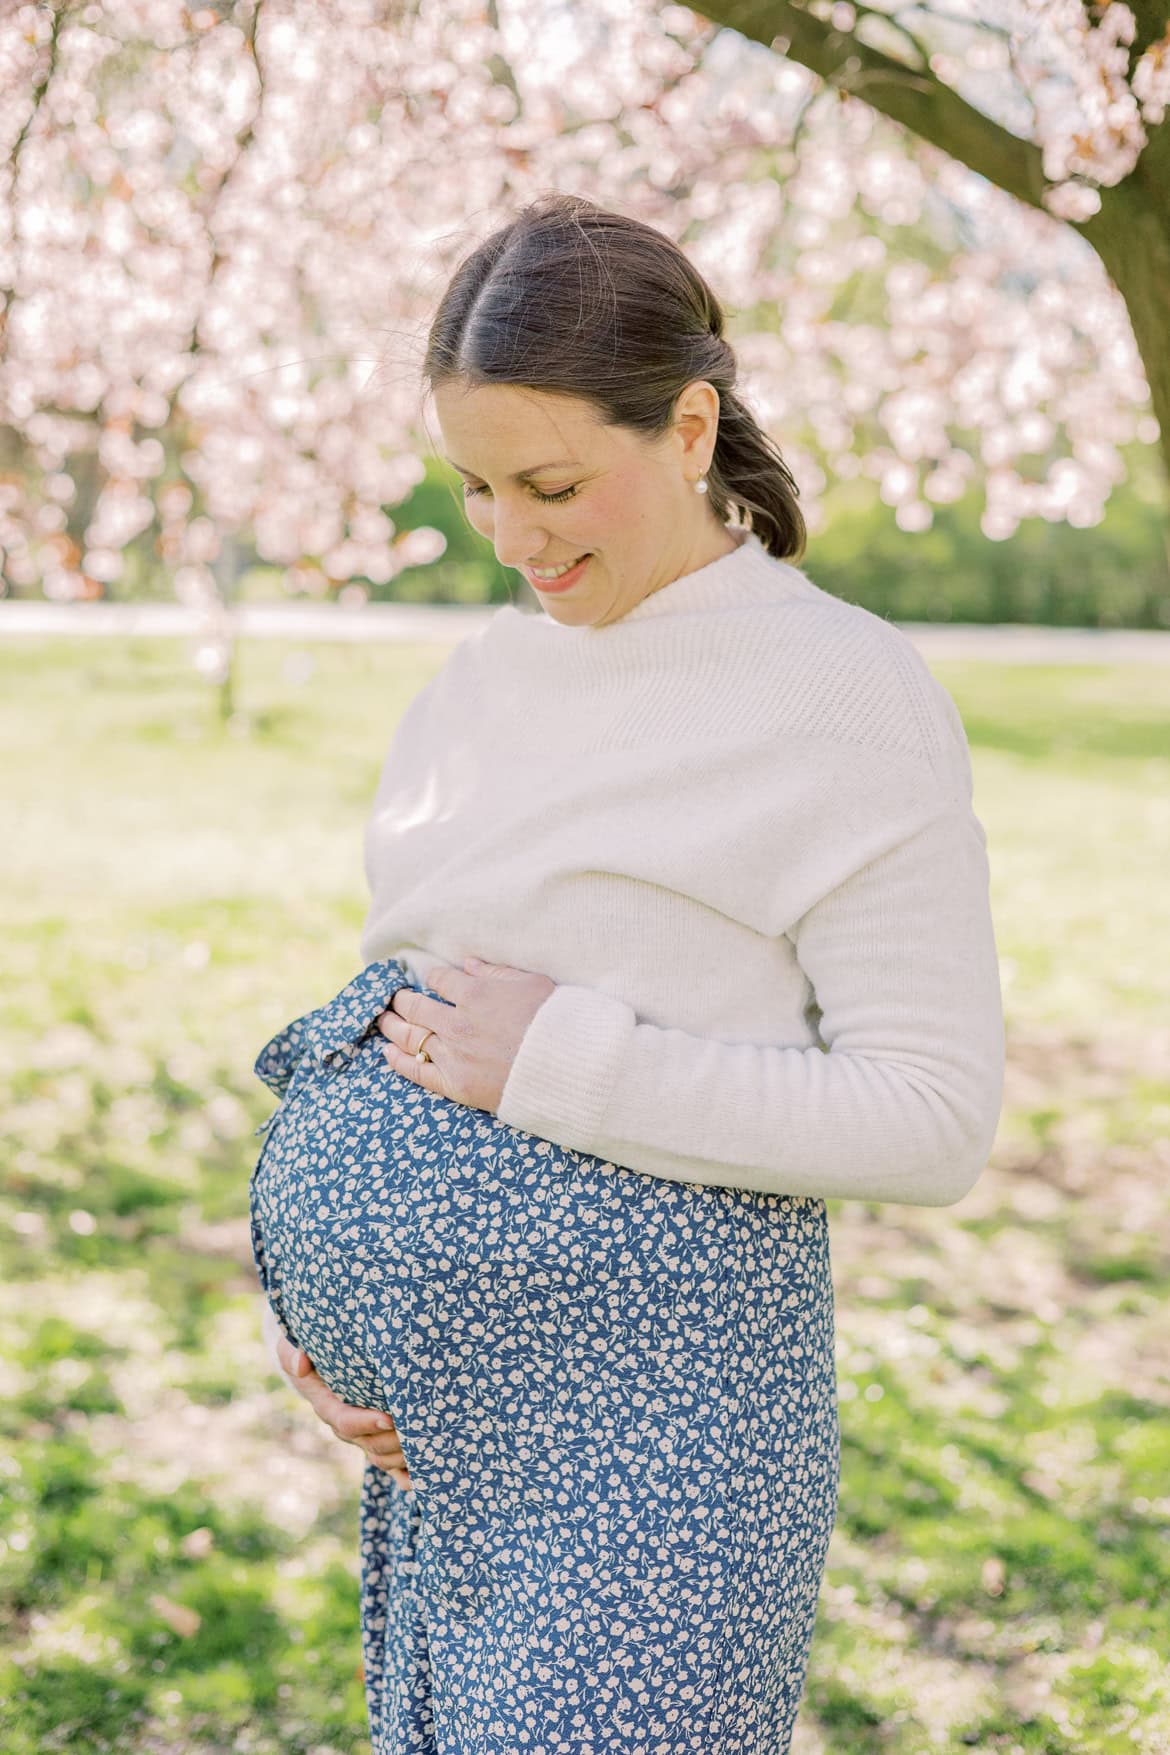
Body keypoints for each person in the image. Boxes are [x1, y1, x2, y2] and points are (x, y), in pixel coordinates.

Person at [249, 191, 1005, 1755]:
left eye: (552, 482)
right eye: (472, 487)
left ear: (687, 424)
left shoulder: (843, 695)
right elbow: (405, 1013)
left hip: (657, 1432)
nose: (514, 538)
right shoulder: (477, 682)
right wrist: (332, 1332)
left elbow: (928, 1118)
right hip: (433, 1444)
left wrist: (564, 1064)